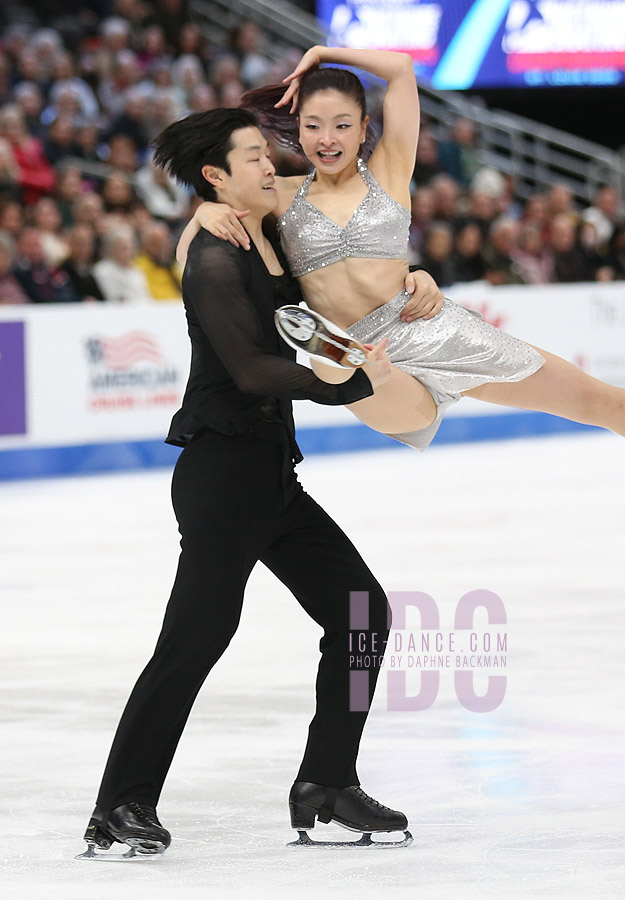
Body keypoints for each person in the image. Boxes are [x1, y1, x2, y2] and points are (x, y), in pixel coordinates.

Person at [180, 46, 625, 500]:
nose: (327, 137)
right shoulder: (282, 196)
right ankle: (338, 354)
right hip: (358, 353)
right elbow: (202, 225)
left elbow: (399, 69)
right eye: (313, 126)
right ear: (297, 130)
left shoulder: (391, 169)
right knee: (359, 367)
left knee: (591, 397)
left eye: (343, 124)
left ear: (364, 128)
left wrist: (325, 52)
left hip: (431, 326)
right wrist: (205, 213)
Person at [79, 107, 424, 861]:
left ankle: (328, 784)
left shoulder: (265, 225)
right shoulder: (212, 250)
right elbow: (251, 369)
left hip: (269, 472)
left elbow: (318, 163)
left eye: (270, 153)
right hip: (221, 472)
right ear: (216, 177)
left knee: (360, 614)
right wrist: (346, 385)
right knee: (196, 639)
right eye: (254, 158)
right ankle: (120, 804)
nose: (273, 165)